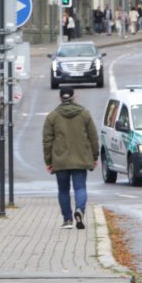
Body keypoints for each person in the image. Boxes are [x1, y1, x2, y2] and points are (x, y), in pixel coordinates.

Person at [43, 86, 99, 230]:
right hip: (81, 158)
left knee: (63, 190)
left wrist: (48, 161)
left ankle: (67, 220)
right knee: (80, 187)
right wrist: (95, 156)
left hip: (60, 160)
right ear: (75, 96)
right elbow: (93, 137)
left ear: (60, 98)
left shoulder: (52, 116)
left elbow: (47, 140)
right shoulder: (84, 114)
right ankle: (79, 210)